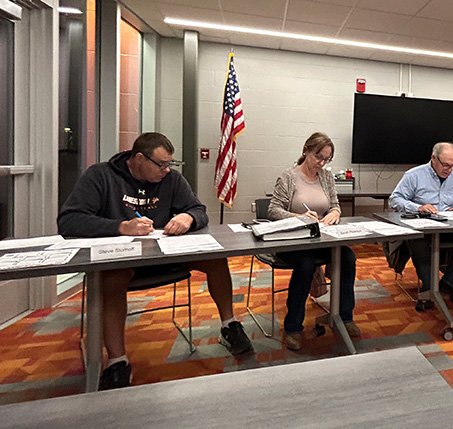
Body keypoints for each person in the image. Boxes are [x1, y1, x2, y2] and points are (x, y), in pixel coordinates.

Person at [57, 132, 253, 390]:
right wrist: (121, 227)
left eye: (170, 164)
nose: (167, 170)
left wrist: (189, 218)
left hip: (165, 255)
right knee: (112, 278)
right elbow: (69, 220)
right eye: (161, 164)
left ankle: (229, 326)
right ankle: (117, 362)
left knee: (217, 259)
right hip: (122, 259)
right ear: (139, 158)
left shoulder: (171, 180)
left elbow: (198, 209)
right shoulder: (101, 176)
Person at [268, 132, 359, 351]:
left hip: (320, 237)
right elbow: (273, 210)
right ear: (306, 151)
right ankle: (293, 327)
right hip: (293, 240)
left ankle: (345, 316)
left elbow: (335, 204)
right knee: (306, 263)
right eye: (318, 157)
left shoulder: (326, 177)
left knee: (347, 257)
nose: (321, 163)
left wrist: (335, 213)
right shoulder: (289, 177)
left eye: (326, 159)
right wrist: (297, 218)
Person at [389, 142, 453, 306]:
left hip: (450, 224)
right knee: (418, 241)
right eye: (445, 165)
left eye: (452, 165)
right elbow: (395, 199)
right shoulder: (414, 175)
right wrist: (418, 207)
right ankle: (430, 288)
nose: (448, 169)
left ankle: (451, 283)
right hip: (424, 226)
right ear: (433, 158)